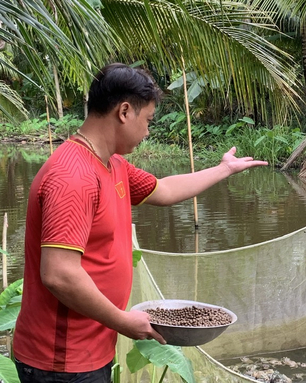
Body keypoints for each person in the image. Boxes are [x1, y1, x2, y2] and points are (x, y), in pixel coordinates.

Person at [12, 63, 268, 382]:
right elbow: (59, 274)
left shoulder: (113, 164)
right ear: (124, 111)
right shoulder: (73, 176)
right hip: (61, 360)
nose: (148, 132)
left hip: (89, 351)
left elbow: (165, 189)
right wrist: (122, 320)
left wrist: (224, 169)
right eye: (147, 120)